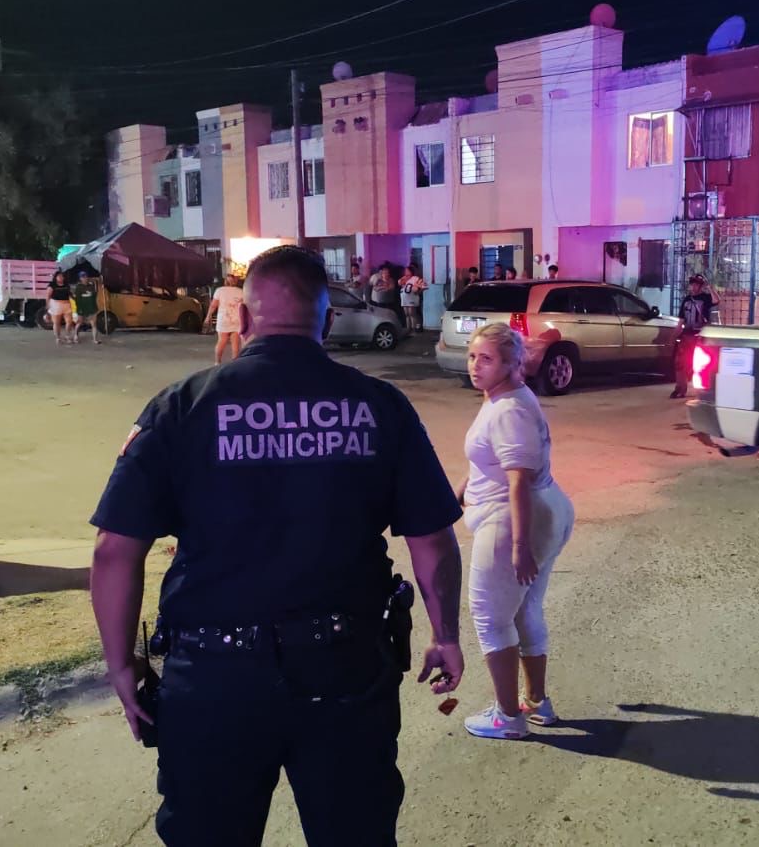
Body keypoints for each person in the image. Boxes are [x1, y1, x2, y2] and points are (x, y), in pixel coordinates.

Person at [90, 246, 465, 846]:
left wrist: (120, 664)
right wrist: (445, 635)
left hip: (214, 680)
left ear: (245, 314)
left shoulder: (182, 406)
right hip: (345, 672)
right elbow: (433, 541)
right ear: (327, 318)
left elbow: (114, 550)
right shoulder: (379, 407)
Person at [457, 322, 575, 740]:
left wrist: (520, 546)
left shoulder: (508, 409)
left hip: (514, 521)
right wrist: (460, 491)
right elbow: (489, 461)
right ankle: (536, 702)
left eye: (487, 359)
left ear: (512, 363)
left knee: (490, 617)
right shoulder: (505, 397)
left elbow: (518, 481)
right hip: (541, 512)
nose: (475, 366)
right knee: (525, 610)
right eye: (472, 356)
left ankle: (508, 717)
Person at [670, 274, 719, 399]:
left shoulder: (706, 298)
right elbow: (681, 320)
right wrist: (674, 336)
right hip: (686, 335)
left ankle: (704, 391)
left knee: (702, 364)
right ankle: (680, 389)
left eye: (696, 284)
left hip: (699, 336)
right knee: (679, 362)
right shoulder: (687, 300)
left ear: (701, 286)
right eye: (692, 284)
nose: (694, 286)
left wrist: (710, 288)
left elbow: (716, 300)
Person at [205, 273, 246, 364]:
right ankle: (234, 365)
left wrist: (208, 317)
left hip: (223, 319)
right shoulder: (241, 291)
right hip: (236, 320)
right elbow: (244, 307)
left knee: (221, 341)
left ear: (225, 281)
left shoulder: (219, 291)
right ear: (236, 281)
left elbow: (213, 305)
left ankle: (217, 362)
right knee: (235, 344)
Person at [72, 271, 103, 345]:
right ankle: (76, 336)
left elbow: (94, 295)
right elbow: (77, 300)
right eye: (83, 277)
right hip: (82, 308)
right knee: (79, 322)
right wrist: (79, 309)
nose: (85, 278)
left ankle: (95, 339)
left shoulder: (91, 286)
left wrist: (95, 306)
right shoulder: (78, 287)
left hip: (92, 308)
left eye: (85, 276)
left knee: (94, 323)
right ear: (80, 278)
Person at [47, 271, 74, 345]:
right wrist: (48, 307)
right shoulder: (52, 285)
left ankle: (67, 336)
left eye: (62, 276)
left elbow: (70, 294)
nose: (61, 278)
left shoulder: (66, 284)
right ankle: (58, 338)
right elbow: (48, 296)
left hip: (66, 304)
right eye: (59, 276)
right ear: (55, 277)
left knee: (69, 321)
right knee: (56, 323)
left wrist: (74, 298)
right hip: (56, 304)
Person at [399, 263, 428, 334]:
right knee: (407, 314)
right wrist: (403, 280)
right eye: (405, 271)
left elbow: (424, 286)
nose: (406, 272)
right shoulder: (404, 278)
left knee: (412, 314)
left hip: (412, 298)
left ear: (411, 271)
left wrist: (418, 292)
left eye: (407, 271)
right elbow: (400, 284)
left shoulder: (415, 278)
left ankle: (413, 329)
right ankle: (408, 329)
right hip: (404, 298)